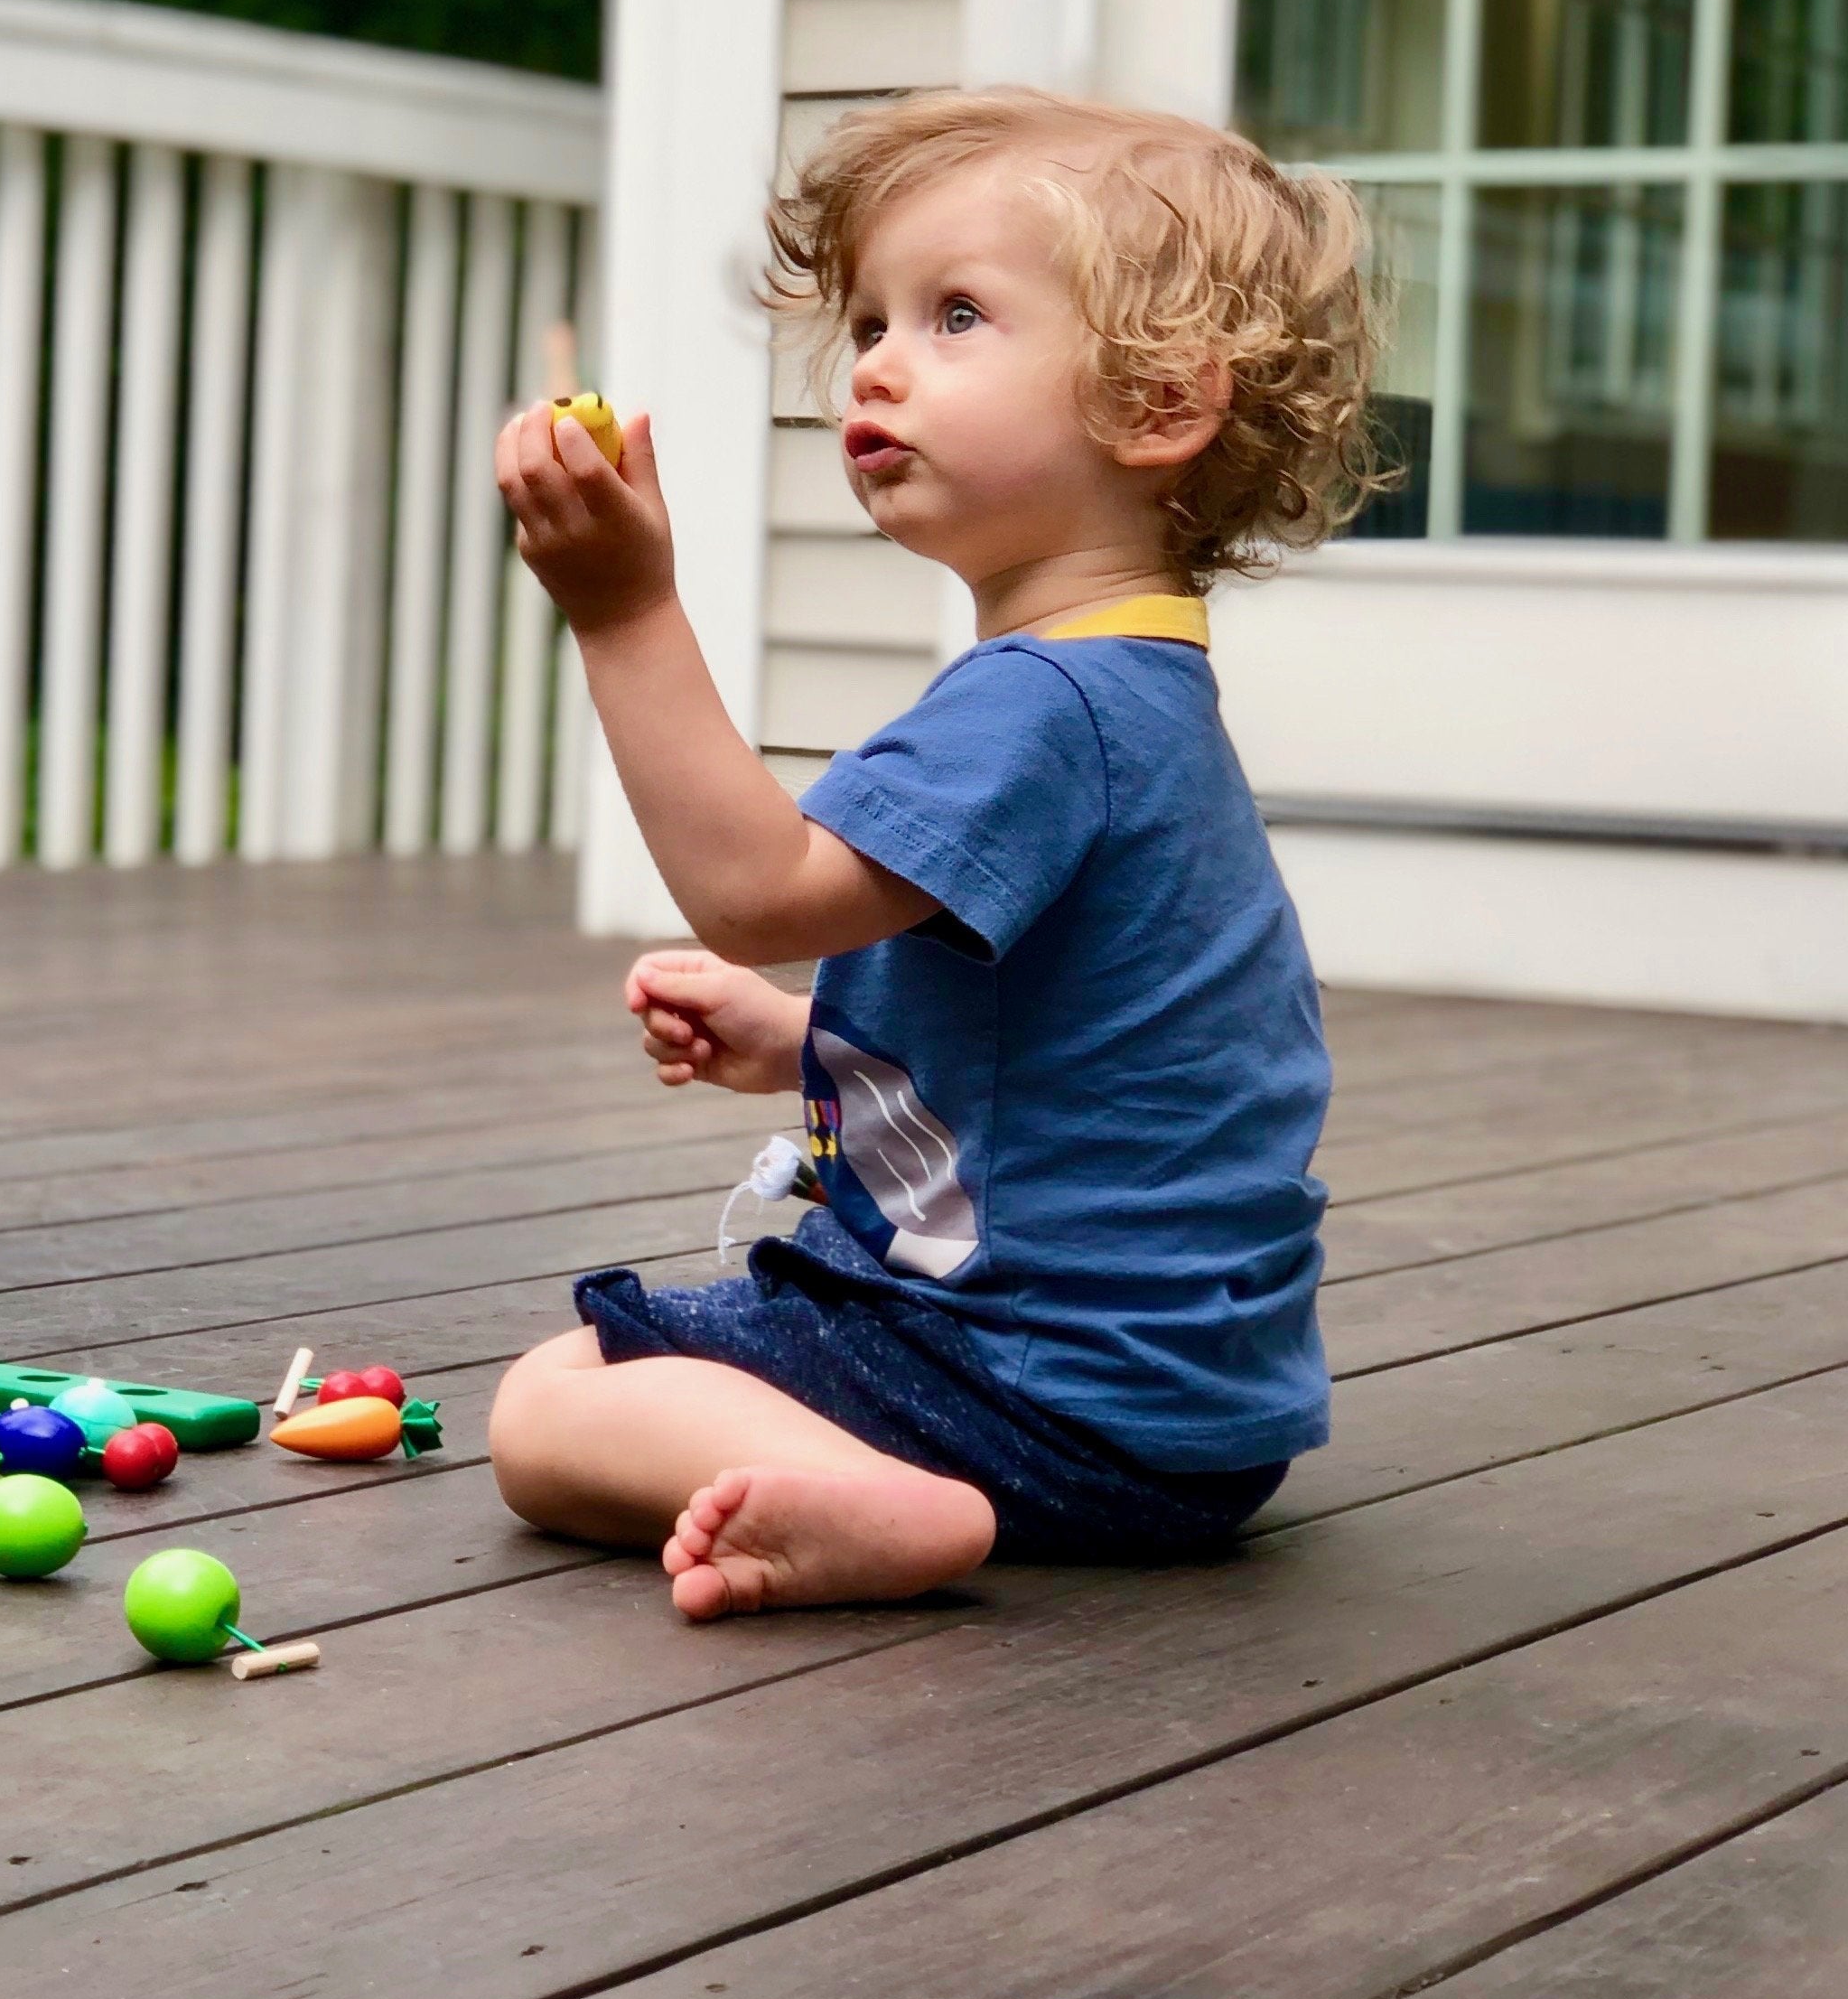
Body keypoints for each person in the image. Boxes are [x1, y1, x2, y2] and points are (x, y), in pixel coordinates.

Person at [486, 87, 1386, 1621]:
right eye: (870, 323)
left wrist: (624, 611)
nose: (881, 360)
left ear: (1159, 401)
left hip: (1031, 1388)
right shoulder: (1136, 688)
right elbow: (1076, 1059)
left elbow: (760, 892)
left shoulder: (1044, 704)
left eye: (957, 315)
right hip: (1187, 1426)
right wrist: (803, 1045)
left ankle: (883, 1499)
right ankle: (880, 1480)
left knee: (548, 1406)